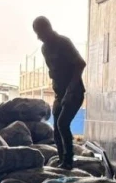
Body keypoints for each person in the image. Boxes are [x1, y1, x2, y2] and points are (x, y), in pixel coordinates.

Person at [33, 16, 85, 169]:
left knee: (63, 124)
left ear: (48, 28)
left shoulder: (63, 43)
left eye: (40, 33)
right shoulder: (45, 48)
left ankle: (68, 161)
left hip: (73, 92)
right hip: (59, 93)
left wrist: (70, 91)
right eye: (36, 33)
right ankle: (62, 160)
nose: (38, 37)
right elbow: (54, 70)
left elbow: (80, 64)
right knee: (56, 128)